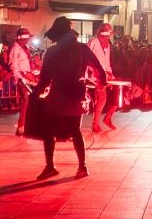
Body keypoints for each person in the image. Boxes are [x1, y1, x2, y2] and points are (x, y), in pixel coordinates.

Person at [30, 16, 105, 181]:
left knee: (49, 132)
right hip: (77, 94)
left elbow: (45, 78)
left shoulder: (52, 52)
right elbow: (98, 68)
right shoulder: (82, 48)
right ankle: (82, 166)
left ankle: (50, 167)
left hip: (58, 95)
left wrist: (37, 93)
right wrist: (101, 83)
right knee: (75, 131)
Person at [87, 23, 118, 131]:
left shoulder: (108, 44)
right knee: (101, 99)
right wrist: (96, 72)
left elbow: (107, 61)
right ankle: (95, 123)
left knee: (117, 97)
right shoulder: (94, 42)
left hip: (107, 75)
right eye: (109, 32)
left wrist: (109, 73)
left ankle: (108, 118)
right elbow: (88, 59)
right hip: (96, 75)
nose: (110, 35)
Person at [10, 27, 38, 136]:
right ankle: (21, 126)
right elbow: (13, 65)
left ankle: (25, 125)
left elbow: (26, 63)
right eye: (27, 39)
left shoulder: (24, 48)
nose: (28, 41)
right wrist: (19, 78)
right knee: (26, 100)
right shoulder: (15, 49)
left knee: (30, 101)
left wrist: (33, 71)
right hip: (21, 77)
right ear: (21, 39)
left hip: (28, 75)